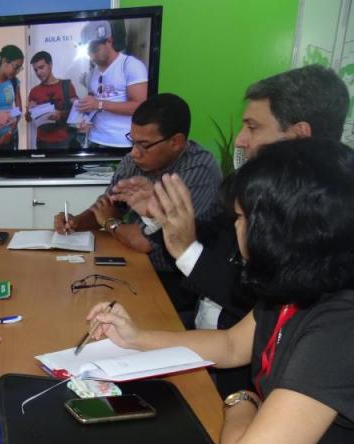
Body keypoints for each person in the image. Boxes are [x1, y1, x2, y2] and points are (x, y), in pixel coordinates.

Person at [93, 138, 354, 444]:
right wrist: (135, 339)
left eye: (241, 219)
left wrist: (239, 400)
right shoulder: (296, 284)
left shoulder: (337, 327)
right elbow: (233, 343)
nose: (236, 229)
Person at [147, 66, 350, 334]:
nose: (241, 140)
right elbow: (216, 240)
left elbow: (256, 301)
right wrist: (164, 219)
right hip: (200, 329)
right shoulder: (247, 187)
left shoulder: (323, 217)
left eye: (253, 127)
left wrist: (186, 249)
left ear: (299, 135)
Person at [54, 93, 222, 317]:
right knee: (74, 302)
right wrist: (76, 221)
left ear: (176, 142)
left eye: (144, 145)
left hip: (174, 280)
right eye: (132, 141)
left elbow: (146, 241)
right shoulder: (135, 160)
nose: (134, 153)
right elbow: (106, 207)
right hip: (131, 261)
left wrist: (111, 224)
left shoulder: (199, 170)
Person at [76, 20, 148, 148]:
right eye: (88, 52)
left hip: (122, 143)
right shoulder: (92, 73)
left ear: (109, 41)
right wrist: (83, 120)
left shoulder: (131, 65)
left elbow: (141, 107)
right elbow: (92, 104)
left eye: (95, 50)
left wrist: (99, 104)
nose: (92, 56)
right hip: (94, 140)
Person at [26, 51, 78, 150]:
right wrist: (29, 112)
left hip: (65, 141)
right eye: (35, 69)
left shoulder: (67, 86)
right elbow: (28, 119)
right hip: (42, 143)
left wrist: (60, 114)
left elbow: (77, 112)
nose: (38, 72)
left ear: (50, 65)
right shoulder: (34, 91)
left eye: (41, 67)